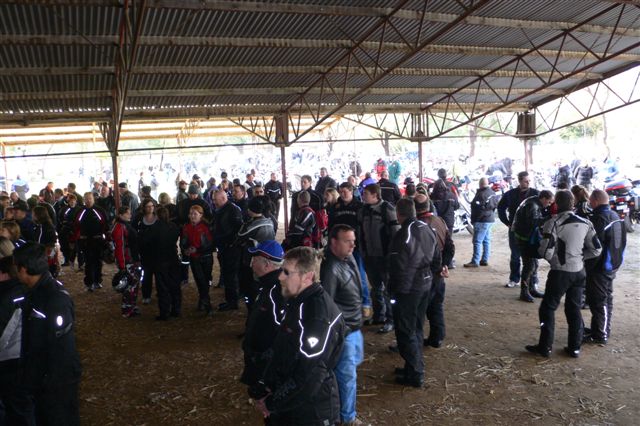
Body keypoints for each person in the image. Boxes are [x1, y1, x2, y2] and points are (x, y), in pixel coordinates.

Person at [251, 247, 345, 425]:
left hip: (312, 411)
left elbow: (309, 375)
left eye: (287, 272)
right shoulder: (297, 302)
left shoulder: (318, 315)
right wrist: (265, 384)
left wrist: (272, 403)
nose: (280, 277)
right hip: (289, 404)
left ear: (307, 277)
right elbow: (283, 349)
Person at [525, 190, 601, 358]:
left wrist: (556, 258)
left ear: (556, 204)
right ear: (573, 204)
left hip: (560, 272)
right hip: (579, 271)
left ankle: (545, 347)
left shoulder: (553, 223)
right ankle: (574, 348)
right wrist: (579, 257)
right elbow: (596, 249)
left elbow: (545, 251)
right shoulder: (586, 222)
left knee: (547, 308)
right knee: (574, 309)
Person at [14, 242, 82, 425]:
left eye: (15, 267)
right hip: (43, 379)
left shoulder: (54, 299)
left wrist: (46, 379)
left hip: (56, 382)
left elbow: (62, 347)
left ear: (24, 269)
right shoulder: (34, 293)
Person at [389, 199, 441, 387]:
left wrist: (393, 290)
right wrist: (433, 277)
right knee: (416, 328)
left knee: (406, 331)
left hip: (408, 289)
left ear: (398, 214)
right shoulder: (426, 228)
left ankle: (415, 372)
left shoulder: (403, 234)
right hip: (424, 284)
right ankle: (412, 366)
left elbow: (397, 265)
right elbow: (437, 256)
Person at [320, 225, 364, 425]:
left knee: (350, 370)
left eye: (353, 241)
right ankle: (347, 418)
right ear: (334, 242)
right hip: (345, 332)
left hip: (354, 326)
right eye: (348, 241)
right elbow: (328, 305)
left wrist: (365, 303)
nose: (352, 245)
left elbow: (359, 281)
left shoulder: (348, 257)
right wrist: (339, 332)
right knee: (347, 376)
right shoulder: (331, 268)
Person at [241, 240, 285, 399]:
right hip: (259, 358)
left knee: (267, 403)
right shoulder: (266, 286)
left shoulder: (276, 291)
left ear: (267, 265)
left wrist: (266, 362)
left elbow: (283, 331)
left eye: (255, 259)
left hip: (266, 364)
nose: (252, 263)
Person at [584, 189, 627, 345]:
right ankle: (601, 329)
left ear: (595, 201)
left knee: (598, 300)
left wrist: (588, 267)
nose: (589, 203)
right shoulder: (615, 216)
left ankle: (600, 334)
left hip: (601, 267)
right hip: (612, 264)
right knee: (606, 298)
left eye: (590, 200)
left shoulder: (599, 218)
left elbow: (595, 247)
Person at [0, 238, 35, 425]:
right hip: (14, 360)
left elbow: (4, 332)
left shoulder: (13, 295)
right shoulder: (15, 289)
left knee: (18, 410)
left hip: (12, 363)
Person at [359, 183, 400, 333]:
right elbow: (360, 233)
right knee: (375, 289)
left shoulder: (387, 209)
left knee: (388, 290)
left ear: (375, 195)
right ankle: (378, 316)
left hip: (384, 257)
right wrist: (363, 252)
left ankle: (391, 319)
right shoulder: (363, 211)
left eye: (366, 194)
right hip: (369, 257)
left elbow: (396, 234)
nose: (363, 196)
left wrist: (391, 255)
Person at [414, 193, 454, 348]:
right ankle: (437, 337)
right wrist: (444, 264)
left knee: (418, 309)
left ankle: (414, 342)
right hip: (438, 273)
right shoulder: (440, 221)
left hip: (424, 273)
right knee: (436, 306)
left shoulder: (416, 226)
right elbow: (450, 246)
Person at [330, 182, 372, 322]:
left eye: (345, 192)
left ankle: (365, 303)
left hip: (356, 246)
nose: (342, 194)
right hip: (338, 247)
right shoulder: (336, 207)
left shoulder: (359, 206)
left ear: (351, 191)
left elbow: (363, 226)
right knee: (338, 274)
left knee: (359, 274)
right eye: (340, 192)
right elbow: (331, 225)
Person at [497, 171, 540, 288]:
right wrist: (507, 222)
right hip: (515, 229)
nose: (528, 183)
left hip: (531, 231)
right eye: (526, 181)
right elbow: (500, 208)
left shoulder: (536, 193)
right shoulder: (510, 194)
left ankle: (533, 280)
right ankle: (514, 278)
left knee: (533, 256)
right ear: (520, 181)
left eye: (529, 181)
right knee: (515, 255)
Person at [511, 190, 555, 302]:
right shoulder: (532, 205)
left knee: (533, 264)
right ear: (543, 198)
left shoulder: (533, 202)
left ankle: (531, 289)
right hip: (523, 238)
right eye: (549, 202)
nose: (549, 205)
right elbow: (533, 223)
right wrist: (550, 217)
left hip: (525, 237)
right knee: (529, 265)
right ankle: (524, 292)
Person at [234, 196, 275, 312]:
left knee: (251, 288)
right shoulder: (269, 221)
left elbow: (239, 236)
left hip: (253, 261)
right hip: (267, 259)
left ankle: (252, 311)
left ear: (251, 209)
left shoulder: (253, 225)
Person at [212, 190, 243, 311]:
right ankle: (230, 300)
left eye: (215, 199)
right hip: (224, 247)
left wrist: (229, 243)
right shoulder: (220, 210)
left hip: (231, 248)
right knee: (226, 274)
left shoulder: (233, 210)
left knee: (231, 275)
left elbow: (238, 230)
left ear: (223, 198)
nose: (213, 202)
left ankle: (232, 302)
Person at [181, 205, 214, 315]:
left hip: (206, 257)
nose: (192, 216)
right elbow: (183, 241)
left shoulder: (206, 227)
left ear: (201, 215)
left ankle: (204, 300)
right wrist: (186, 249)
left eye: (195, 214)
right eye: (191, 214)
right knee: (200, 280)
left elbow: (210, 244)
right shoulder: (186, 227)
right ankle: (206, 302)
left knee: (206, 280)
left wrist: (197, 249)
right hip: (194, 258)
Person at [152, 206, 182, 320]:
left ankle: (164, 312)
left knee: (163, 287)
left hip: (160, 260)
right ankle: (176, 309)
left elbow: (147, 242)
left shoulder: (154, 228)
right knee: (175, 285)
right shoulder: (173, 226)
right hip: (173, 258)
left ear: (157, 216)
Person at [73, 192, 108, 291]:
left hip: (97, 239)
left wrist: (105, 238)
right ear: (84, 200)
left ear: (93, 199)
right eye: (86, 199)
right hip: (85, 240)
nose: (88, 200)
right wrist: (78, 239)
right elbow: (76, 225)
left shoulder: (99, 210)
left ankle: (97, 280)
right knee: (88, 262)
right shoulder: (80, 211)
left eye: (90, 198)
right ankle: (89, 283)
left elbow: (105, 224)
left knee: (98, 261)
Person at [111, 206, 141, 317]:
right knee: (130, 284)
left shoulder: (124, 225)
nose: (130, 215)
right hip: (127, 260)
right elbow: (120, 247)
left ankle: (131, 305)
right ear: (121, 215)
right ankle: (127, 308)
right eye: (128, 213)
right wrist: (122, 265)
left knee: (133, 283)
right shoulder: (119, 227)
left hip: (131, 258)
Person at [465, 177, 498, 268]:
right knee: (486, 240)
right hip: (489, 219)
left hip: (481, 220)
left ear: (480, 184)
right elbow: (494, 206)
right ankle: (484, 259)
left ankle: (475, 261)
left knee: (477, 241)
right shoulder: (492, 193)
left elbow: (477, 210)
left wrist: (475, 220)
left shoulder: (481, 194)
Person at [134, 199, 159, 305]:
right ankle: (146, 295)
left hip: (157, 251)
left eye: (152, 206)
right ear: (144, 208)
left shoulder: (158, 219)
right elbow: (134, 232)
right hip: (144, 252)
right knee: (146, 275)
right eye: (148, 206)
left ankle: (160, 292)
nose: (150, 208)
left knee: (159, 274)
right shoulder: (139, 219)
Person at [33, 205, 59, 277]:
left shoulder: (43, 227)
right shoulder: (46, 225)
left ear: (38, 215)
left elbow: (40, 242)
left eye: (33, 214)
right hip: (48, 253)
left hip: (45, 254)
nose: (32, 216)